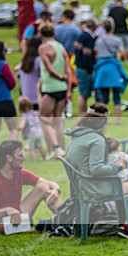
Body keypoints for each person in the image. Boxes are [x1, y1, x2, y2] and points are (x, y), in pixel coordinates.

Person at [65, 103, 128, 237]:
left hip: (80, 186)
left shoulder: (76, 135)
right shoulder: (96, 140)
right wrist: (119, 166)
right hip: (94, 188)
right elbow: (96, 170)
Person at [0, 140, 62, 234]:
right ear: (9, 158)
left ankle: (69, 220)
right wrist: (7, 210)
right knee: (2, 225)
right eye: (20, 155)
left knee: (43, 186)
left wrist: (56, 190)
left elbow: (50, 184)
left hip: (17, 215)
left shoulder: (20, 173)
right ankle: (42, 226)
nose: (24, 158)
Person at [38, 22, 72, 158]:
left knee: (44, 119)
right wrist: (68, 87)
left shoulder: (43, 48)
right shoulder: (60, 47)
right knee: (58, 119)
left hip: (51, 87)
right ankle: (61, 148)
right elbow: (68, 68)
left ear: (41, 34)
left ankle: (56, 148)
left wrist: (60, 77)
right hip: (62, 88)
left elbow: (49, 68)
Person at [93, 18, 128, 125]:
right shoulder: (117, 40)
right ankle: (118, 120)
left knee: (104, 97)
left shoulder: (99, 40)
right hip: (113, 68)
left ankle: (104, 120)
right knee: (116, 97)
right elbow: (122, 53)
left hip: (102, 69)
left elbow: (97, 53)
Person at [74, 19, 97, 115]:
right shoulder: (88, 38)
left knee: (82, 92)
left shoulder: (80, 35)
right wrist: (90, 70)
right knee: (84, 94)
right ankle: (82, 114)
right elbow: (86, 55)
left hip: (79, 67)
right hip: (84, 68)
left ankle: (82, 113)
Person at [16, 36, 42, 110]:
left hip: (25, 97)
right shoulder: (38, 61)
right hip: (37, 97)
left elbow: (18, 73)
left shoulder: (24, 61)